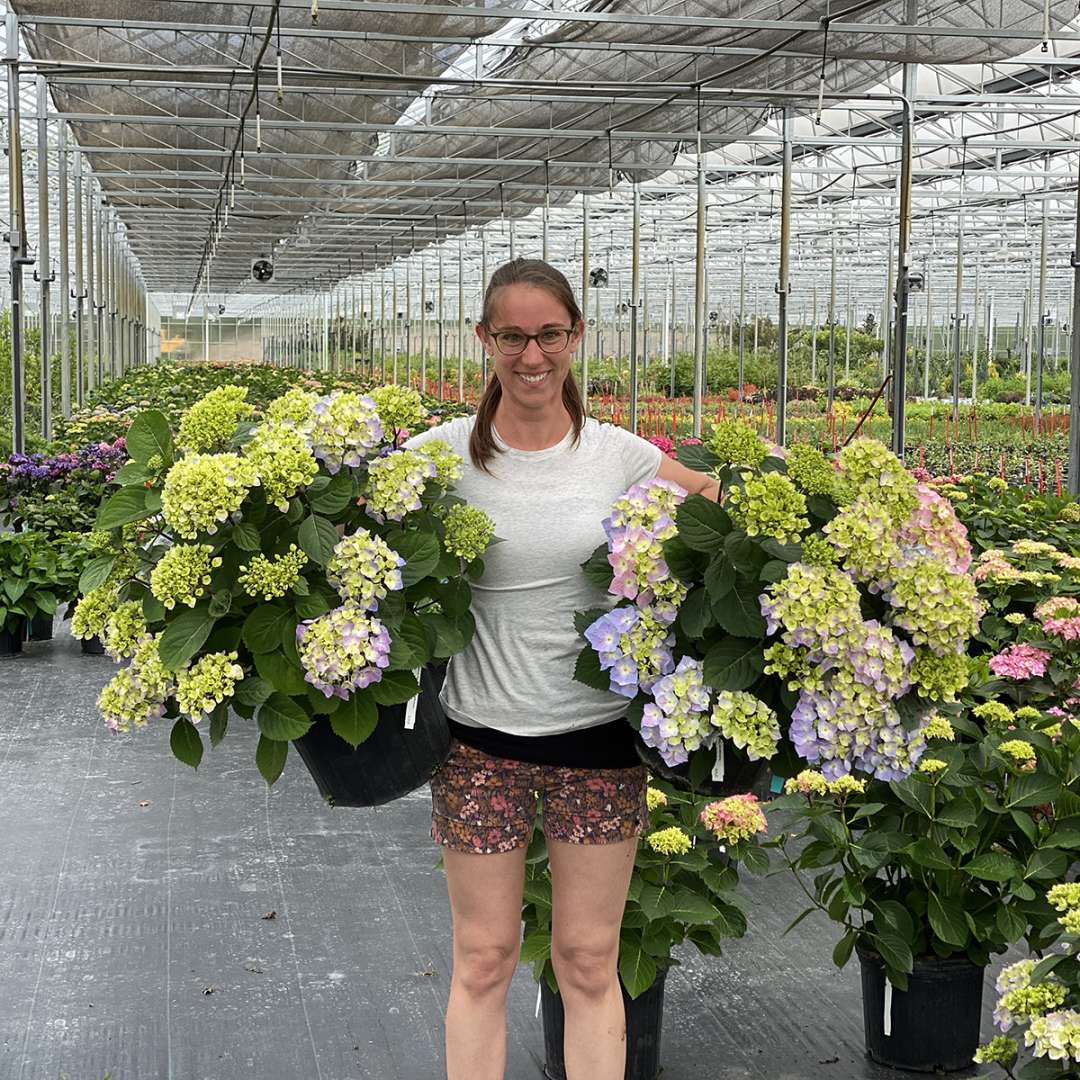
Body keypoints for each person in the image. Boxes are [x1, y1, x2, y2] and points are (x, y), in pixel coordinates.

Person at [405, 258, 720, 1080]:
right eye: (512, 336)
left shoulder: (616, 454)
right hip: (478, 745)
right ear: (485, 340)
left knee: (587, 961)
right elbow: (360, 509)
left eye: (549, 334)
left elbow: (715, 504)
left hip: (597, 743)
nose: (532, 356)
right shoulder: (442, 455)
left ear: (576, 336)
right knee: (483, 959)